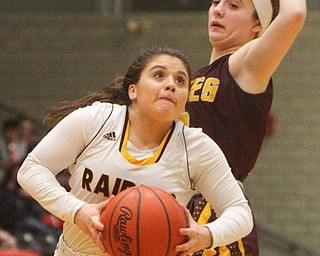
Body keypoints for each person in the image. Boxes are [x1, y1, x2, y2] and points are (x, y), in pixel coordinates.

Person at [18, 47, 253, 256]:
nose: (170, 84)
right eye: (159, 75)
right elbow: (31, 169)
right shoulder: (96, 119)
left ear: (185, 101)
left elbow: (240, 212)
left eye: (180, 81)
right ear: (133, 90)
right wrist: (76, 210)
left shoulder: (197, 148)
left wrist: (207, 234)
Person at [183, 0, 307, 255]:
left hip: (217, 208)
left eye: (233, 5)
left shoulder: (245, 65)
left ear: (257, 24)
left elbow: (294, 14)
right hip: (185, 203)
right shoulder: (198, 75)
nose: (217, 9)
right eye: (215, 2)